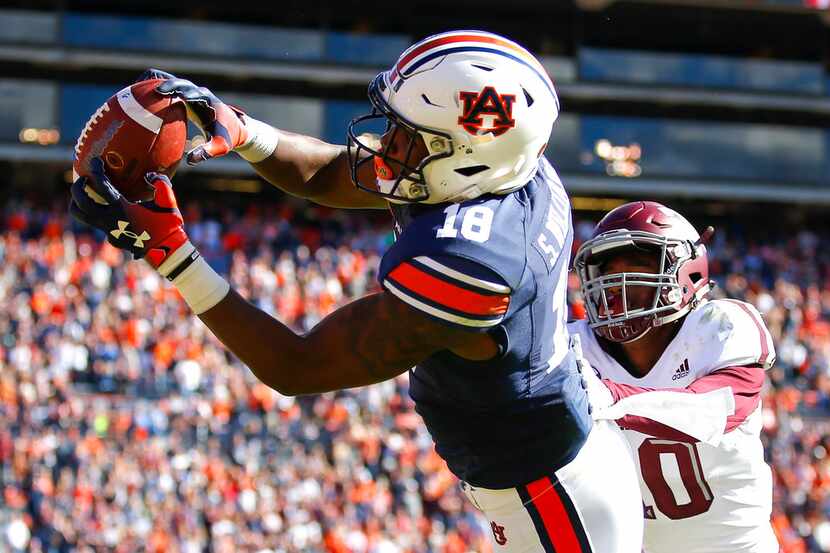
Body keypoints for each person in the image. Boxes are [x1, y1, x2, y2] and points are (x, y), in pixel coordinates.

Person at [69, 31, 643, 552]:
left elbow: (297, 366)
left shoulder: (472, 262)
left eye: (409, 137)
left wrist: (172, 255)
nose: (387, 143)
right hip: (541, 469)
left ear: (466, 159)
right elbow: (327, 174)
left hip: (552, 503)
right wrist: (241, 130)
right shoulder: (507, 170)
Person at [568, 201, 780, 553]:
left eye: (636, 266)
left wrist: (611, 397)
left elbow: (716, 410)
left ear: (687, 274)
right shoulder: (574, 345)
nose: (617, 285)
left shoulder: (721, 327)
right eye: (606, 272)